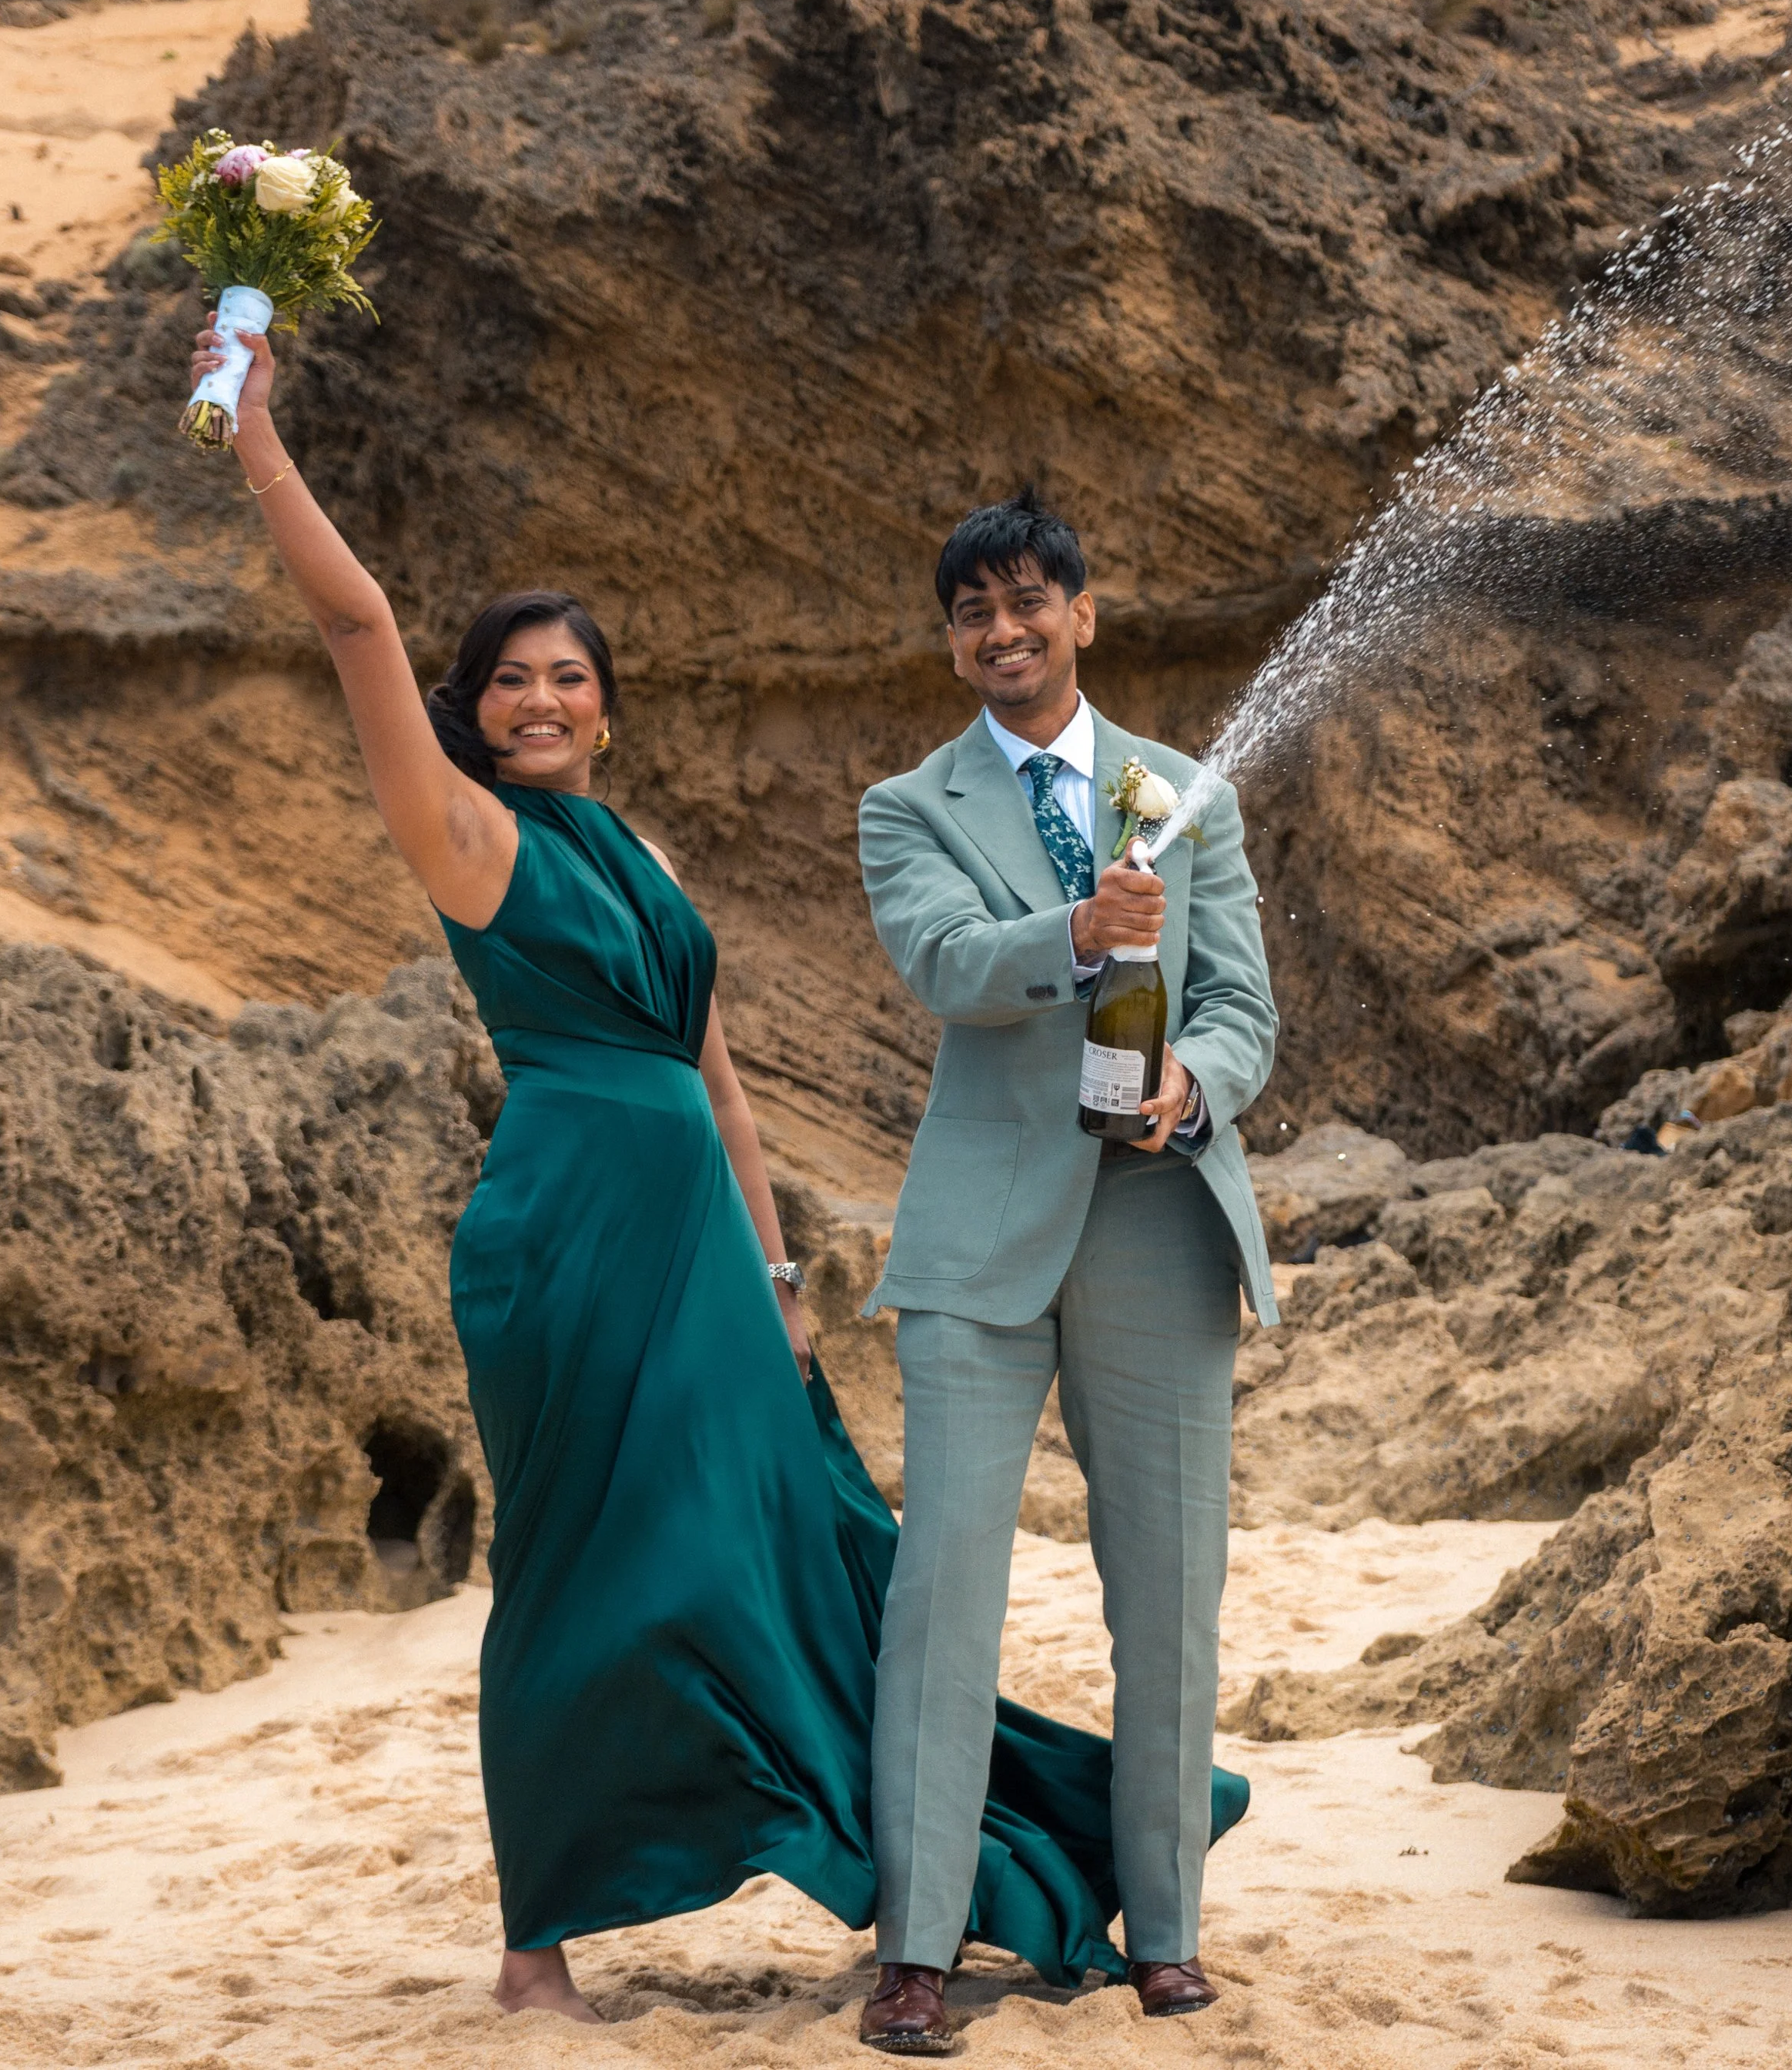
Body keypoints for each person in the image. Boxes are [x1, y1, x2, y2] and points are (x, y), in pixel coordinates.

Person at [189, 325, 1164, 2039]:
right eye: (509, 681)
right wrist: (259, 433)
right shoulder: (461, 832)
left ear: (606, 706)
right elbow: (354, 625)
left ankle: (894, 1865)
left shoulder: (637, 853)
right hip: (563, 1233)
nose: (540, 699)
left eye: (569, 678)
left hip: (704, 1246)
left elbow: (715, 1080)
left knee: (789, 1533)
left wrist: (779, 1282)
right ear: (471, 712)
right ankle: (535, 1937)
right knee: (580, 1565)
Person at [854, 488, 1278, 2049]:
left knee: (1167, 1594)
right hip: (973, 1242)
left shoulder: (1186, 795)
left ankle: (1163, 1930)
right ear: (952, 639)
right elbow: (945, 968)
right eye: (971, 610)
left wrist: (1199, 1083)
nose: (1001, 629)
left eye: (1028, 600)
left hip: (1158, 1216)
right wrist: (1076, 929)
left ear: (1080, 617)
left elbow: (1240, 1004)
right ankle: (919, 1946)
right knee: (941, 1589)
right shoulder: (905, 806)